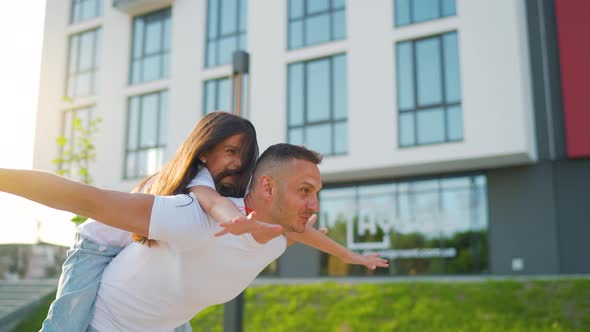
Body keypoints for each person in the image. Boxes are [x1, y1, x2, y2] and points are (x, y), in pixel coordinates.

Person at [0, 144, 388, 331]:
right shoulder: (190, 217)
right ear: (267, 187)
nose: (314, 204)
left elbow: (311, 236)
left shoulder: (278, 235)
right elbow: (85, 198)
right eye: (305, 190)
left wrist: (353, 256)